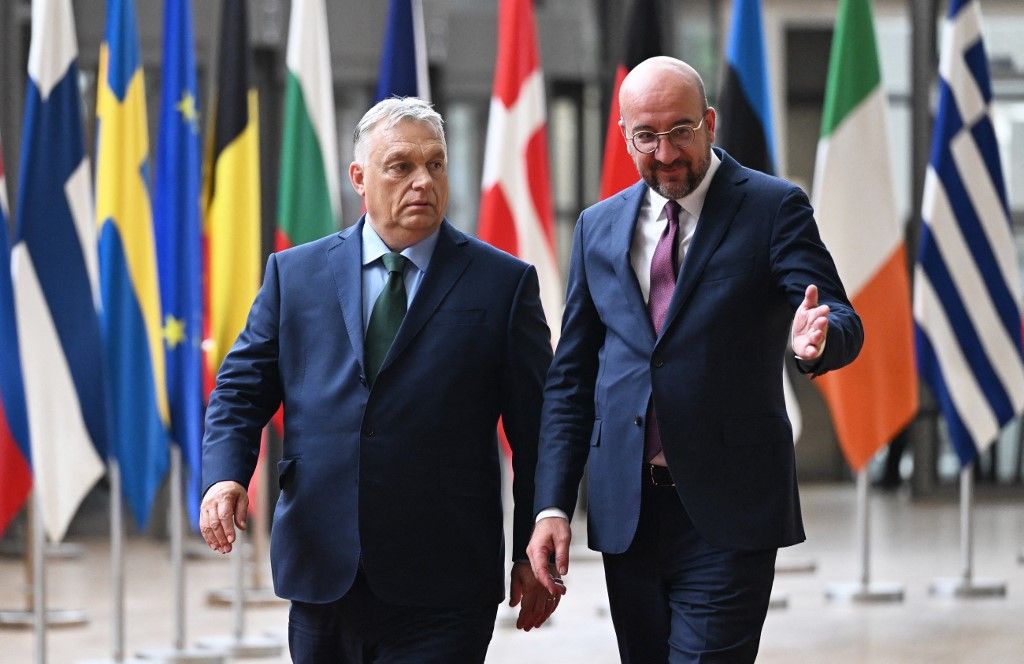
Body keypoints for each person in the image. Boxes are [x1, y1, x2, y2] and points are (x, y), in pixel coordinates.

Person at [526, 57, 864, 663]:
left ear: (709, 122)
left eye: (680, 130)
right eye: (646, 136)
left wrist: (819, 339)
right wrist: (552, 503)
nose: (665, 151)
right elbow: (571, 379)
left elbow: (838, 314)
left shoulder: (772, 208)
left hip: (730, 508)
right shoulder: (596, 228)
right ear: (625, 135)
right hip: (628, 511)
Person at [199, 97, 555, 663]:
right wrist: (224, 477)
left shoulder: (502, 284)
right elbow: (240, 392)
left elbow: (539, 431)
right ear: (359, 178)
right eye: (401, 166)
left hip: (447, 582)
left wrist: (532, 551)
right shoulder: (295, 275)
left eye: (435, 165)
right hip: (323, 571)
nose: (423, 181)